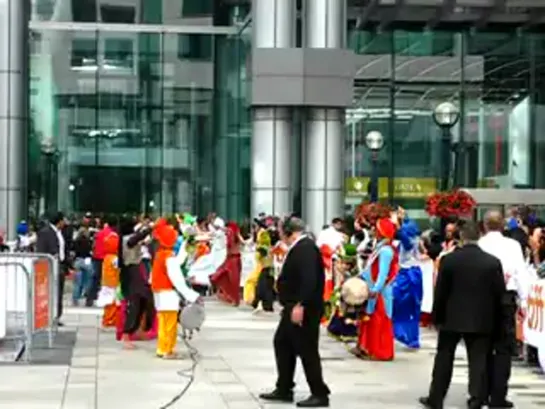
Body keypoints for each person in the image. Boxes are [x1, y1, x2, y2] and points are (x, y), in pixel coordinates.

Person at [419, 221, 506, 409]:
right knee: (478, 360)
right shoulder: (492, 262)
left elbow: (441, 291)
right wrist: (499, 321)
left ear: (461, 238)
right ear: (479, 237)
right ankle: (476, 398)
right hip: (482, 318)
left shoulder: (449, 260)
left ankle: (436, 397)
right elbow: (500, 293)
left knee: (444, 357)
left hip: (452, 316)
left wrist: (437, 316)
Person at [259, 216, 330, 408]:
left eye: (282, 230)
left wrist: (301, 304)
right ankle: (284, 387)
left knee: (307, 349)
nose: (279, 234)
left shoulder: (305, 248)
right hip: (291, 307)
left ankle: (319, 393)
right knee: (282, 343)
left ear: (290, 231)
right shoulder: (299, 247)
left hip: (302, 308)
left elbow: (309, 280)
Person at [478, 210, 528, 408]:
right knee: (503, 349)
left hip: (482, 300)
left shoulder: (480, 245)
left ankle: (480, 392)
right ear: (503, 226)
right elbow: (521, 273)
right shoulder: (513, 245)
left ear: (484, 225)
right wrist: (524, 302)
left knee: (481, 348)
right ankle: (498, 396)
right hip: (506, 299)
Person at [151, 219, 200, 359]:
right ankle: (168, 350)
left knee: (162, 321)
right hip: (168, 293)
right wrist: (191, 295)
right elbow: (177, 279)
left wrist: (185, 246)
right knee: (170, 323)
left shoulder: (161, 254)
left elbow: (177, 262)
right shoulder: (168, 256)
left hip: (158, 292)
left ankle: (162, 348)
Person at [351, 217, 398, 361]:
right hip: (374, 290)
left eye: (376, 229)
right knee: (370, 319)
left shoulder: (386, 251)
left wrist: (376, 289)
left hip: (380, 293)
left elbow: (383, 273)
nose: (373, 231)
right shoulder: (381, 247)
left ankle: (380, 351)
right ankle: (367, 348)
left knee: (379, 320)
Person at [118, 216, 156, 349]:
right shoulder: (126, 240)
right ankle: (127, 334)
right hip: (131, 272)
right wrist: (149, 228)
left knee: (145, 300)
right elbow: (136, 239)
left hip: (137, 271)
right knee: (134, 303)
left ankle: (138, 329)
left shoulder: (131, 239)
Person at [392, 214, 423, 349]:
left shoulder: (409, 241)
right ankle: (408, 336)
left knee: (401, 304)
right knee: (411, 307)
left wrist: (396, 224)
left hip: (407, 275)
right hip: (412, 274)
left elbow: (403, 237)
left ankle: (404, 334)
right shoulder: (414, 239)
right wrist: (402, 217)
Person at [36, 212, 67, 325]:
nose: (65, 222)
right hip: (50, 265)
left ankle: (57, 316)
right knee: (49, 292)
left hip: (60, 265)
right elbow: (41, 250)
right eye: (64, 220)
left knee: (59, 291)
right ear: (59, 221)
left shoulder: (60, 233)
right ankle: (47, 315)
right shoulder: (45, 232)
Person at [210, 222, 242, 306]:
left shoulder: (233, 235)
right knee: (222, 277)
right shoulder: (233, 235)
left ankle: (233, 299)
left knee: (232, 280)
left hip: (233, 260)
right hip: (232, 259)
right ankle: (231, 298)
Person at [87, 217, 114, 307]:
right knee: (106, 280)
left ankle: (90, 298)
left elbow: (94, 245)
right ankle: (104, 299)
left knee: (95, 279)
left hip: (96, 257)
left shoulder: (99, 233)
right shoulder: (112, 234)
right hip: (106, 258)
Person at [97, 231, 120, 327]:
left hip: (106, 283)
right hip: (114, 284)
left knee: (107, 303)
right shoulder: (115, 258)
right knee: (113, 303)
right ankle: (111, 320)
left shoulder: (106, 257)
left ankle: (106, 319)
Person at [72, 225, 93, 306]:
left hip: (78, 260)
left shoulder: (76, 241)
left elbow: (73, 252)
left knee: (77, 282)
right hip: (87, 261)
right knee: (88, 281)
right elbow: (90, 251)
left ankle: (75, 299)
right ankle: (87, 297)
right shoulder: (88, 242)